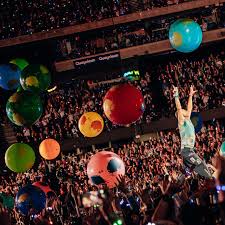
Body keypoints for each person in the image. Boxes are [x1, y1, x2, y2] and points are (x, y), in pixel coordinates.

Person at [173, 85, 212, 179]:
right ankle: (211, 179)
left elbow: (189, 108)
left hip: (189, 149)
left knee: (197, 165)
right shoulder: (181, 122)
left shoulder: (188, 119)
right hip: (186, 150)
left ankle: (189, 172)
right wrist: (176, 96)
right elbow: (178, 108)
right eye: (182, 111)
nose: (184, 110)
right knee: (201, 164)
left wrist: (190, 95)